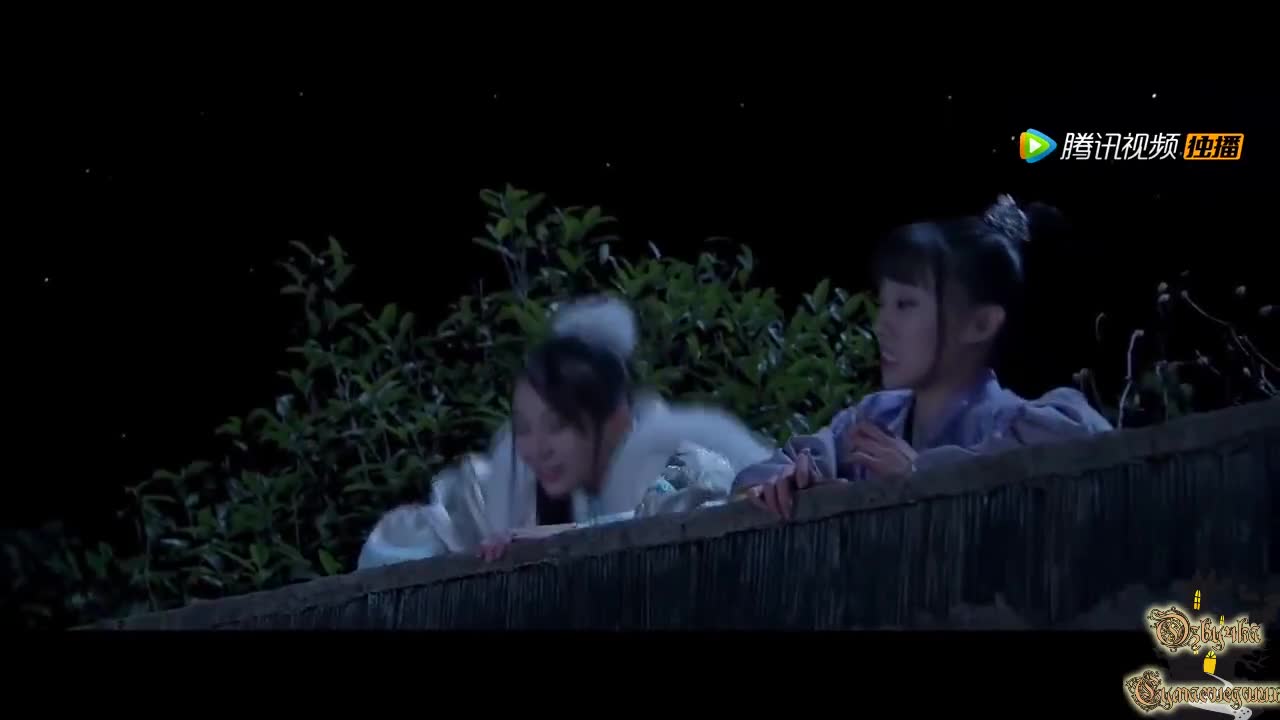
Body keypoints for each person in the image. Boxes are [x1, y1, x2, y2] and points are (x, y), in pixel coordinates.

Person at [733, 195, 1113, 519]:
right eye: (884, 304)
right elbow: (770, 471)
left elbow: (1101, 452)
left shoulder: (1022, 425)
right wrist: (784, 485)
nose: (882, 326)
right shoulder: (872, 420)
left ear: (980, 324)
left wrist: (921, 474)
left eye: (906, 305)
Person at [357, 295, 775, 568]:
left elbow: (682, 516)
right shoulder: (515, 485)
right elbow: (401, 545)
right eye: (524, 428)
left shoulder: (679, 460)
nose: (537, 448)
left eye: (558, 426)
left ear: (614, 419)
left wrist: (555, 538)